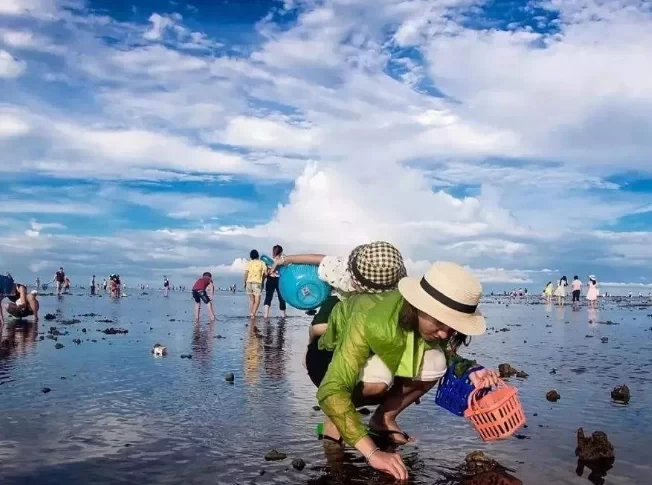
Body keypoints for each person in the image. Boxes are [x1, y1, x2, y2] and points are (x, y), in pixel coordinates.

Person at [311, 262, 498, 481]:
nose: (446, 334)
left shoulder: (423, 321)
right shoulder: (367, 317)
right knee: (375, 381)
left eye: (453, 327)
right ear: (418, 306)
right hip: (328, 358)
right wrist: (373, 452)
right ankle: (336, 419)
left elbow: (442, 352)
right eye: (440, 322)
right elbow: (332, 388)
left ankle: (383, 419)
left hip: (380, 350)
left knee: (436, 361)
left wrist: (470, 369)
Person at [263, 245, 287, 320]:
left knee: (268, 297)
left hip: (270, 279)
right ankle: (283, 315)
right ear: (281, 252)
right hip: (279, 279)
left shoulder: (268, 261)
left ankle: (266, 315)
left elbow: (266, 272)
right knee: (282, 297)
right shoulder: (283, 260)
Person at [244, 250, 267, 317]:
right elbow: (266, 273)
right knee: (257, 301)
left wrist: (244, 283)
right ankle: (253, 314)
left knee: (251, 300)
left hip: (248, 283)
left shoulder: (249, 263)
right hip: (257, 283)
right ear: (258, 255)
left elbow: (245, 274)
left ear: (251, 256)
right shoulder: (262, 263)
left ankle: (252, 315)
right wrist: (263, 279)